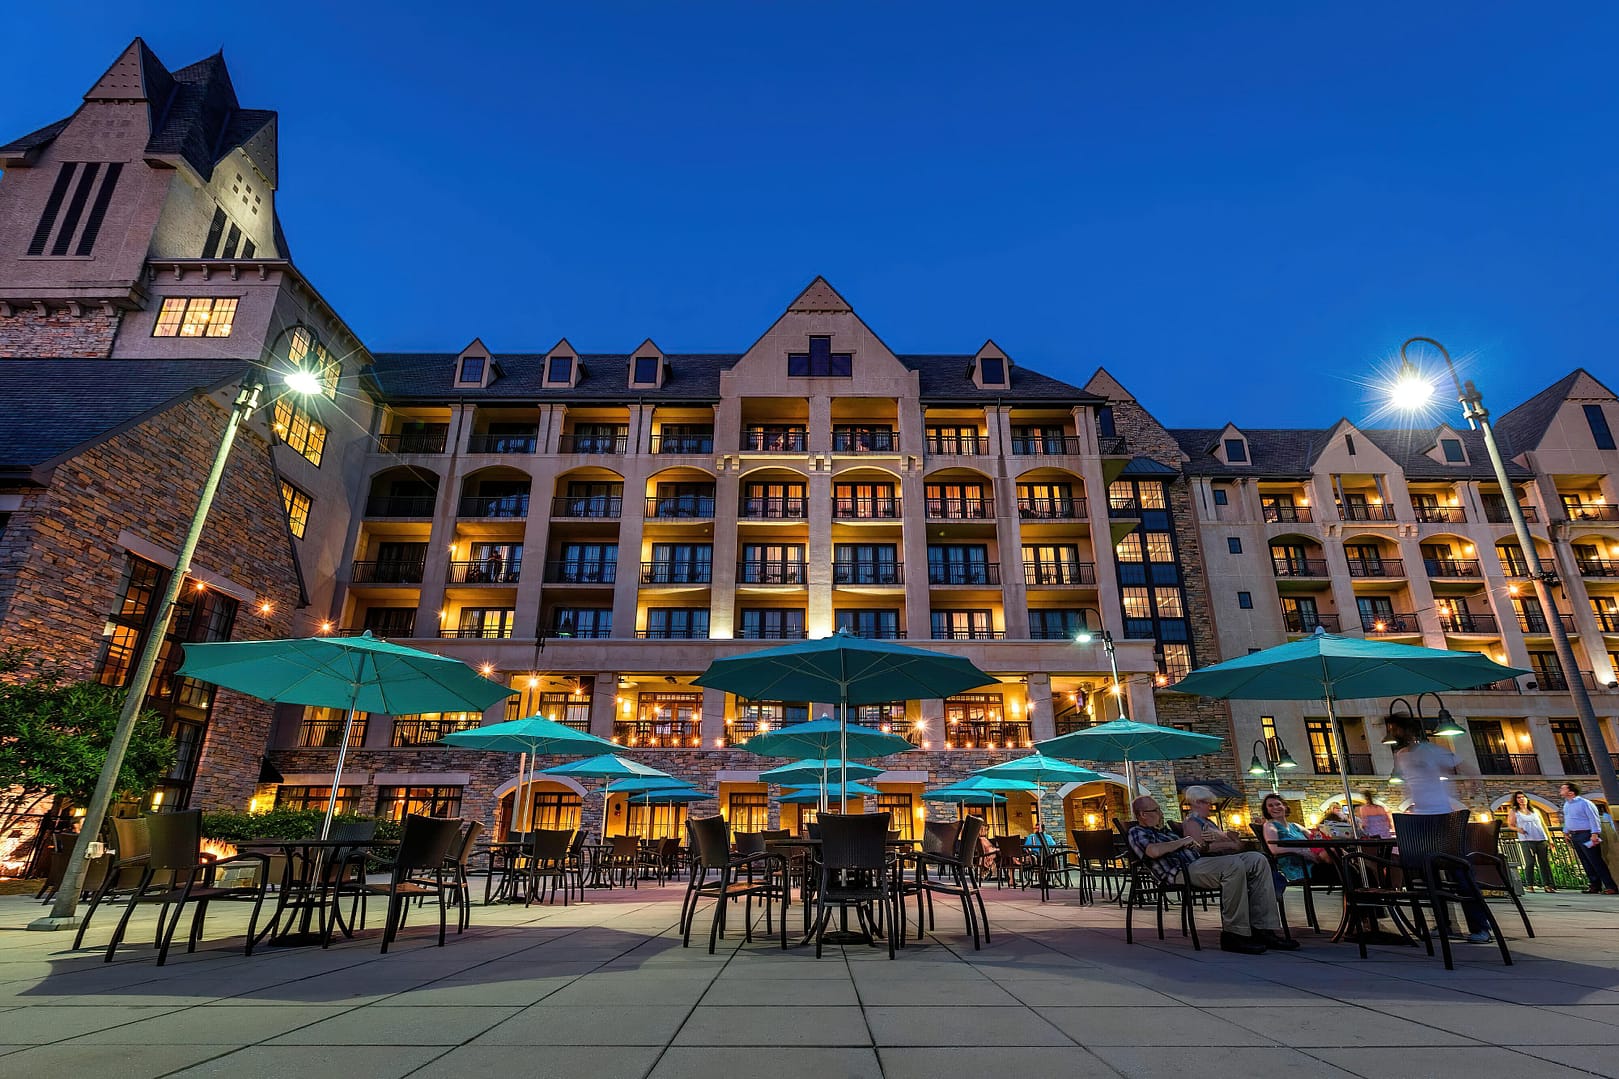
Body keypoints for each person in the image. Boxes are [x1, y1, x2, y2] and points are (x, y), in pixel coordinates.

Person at [1126, 794, 1298, 954]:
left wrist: (1205, 844)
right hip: (1179, 871)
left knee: (1257, 859)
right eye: (1156, 810)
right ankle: (1234, 934)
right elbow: (1153, 851)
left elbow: (1198, 850)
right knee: (1233, 865)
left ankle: (1263, 929)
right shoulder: (1137, 832)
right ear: (1142, 814)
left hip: (1199, 863)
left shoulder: (1166, 832)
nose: (1160, 813)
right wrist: (1183, 841)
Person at [1389, 714, 1493, 942]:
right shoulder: (1400, 756)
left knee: (1460, 873)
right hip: (1419, 818)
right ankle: (1445, 923)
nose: (1394, 734)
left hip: (1443, 816)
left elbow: (1463, 765)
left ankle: (1480, 927)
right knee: (1428, 875)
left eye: (1396, 729)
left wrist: (1472, 781)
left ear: (1409, 731)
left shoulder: (1430, 750)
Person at [1560, 782, 1619, 895]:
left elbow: (1593, 818)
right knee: (1585, 861)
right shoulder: (1567, 804)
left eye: (1563, 789)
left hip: (1586, 834)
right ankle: (1594, 885)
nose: (1561, 790)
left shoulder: (1585, 803)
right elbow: (1568, 819)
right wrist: (1566, 832)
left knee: (1595, 861)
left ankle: (1610, 886)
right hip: (1575, 835)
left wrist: (1595, 833)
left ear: (1571, 792)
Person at [1259, 793, 1323, 889]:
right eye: (1270, 806)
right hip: (1298, 867)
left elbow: (1315, 838)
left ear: (1284, 806)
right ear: (1267, 810)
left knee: (1339, 862)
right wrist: (1300, 851)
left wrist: (1321, 832)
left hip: (1313, 861)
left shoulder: (1295, 826)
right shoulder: (1270, 826)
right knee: (1339, 870)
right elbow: (1274, 849)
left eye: (1278, 804)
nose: (1275, 807)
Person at [1506, 790, 1555, 893]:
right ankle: (1530, 885)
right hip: (1526, 839)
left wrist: (1549, 839)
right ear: (1516, 800)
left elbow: (1543, 825)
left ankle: (1548, 885)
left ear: (1527, 798)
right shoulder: (1514, 812)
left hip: (1541, 839)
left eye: (1523, 797)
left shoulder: (1535, 811)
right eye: (1518, 798)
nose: (1521, 799)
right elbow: (1510, 825)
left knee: (1544, 862)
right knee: (1530, 862)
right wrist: (1518, 829)